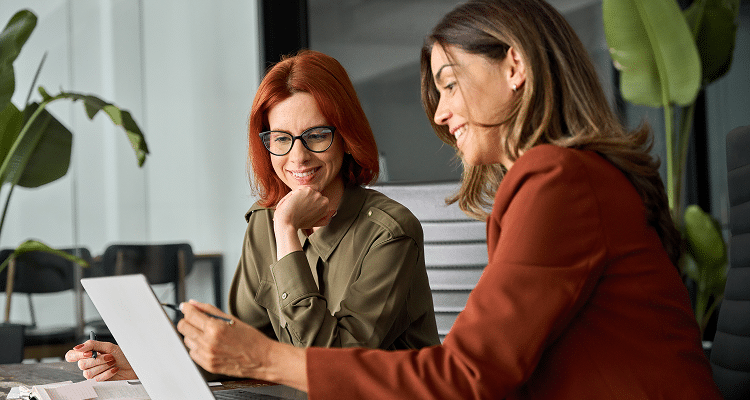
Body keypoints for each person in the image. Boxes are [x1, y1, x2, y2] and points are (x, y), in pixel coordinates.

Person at [65, 49, 439, 381]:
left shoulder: (390, 232)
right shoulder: (265, 221)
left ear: (345, 136)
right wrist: (144, 362)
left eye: (316, 135)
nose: (298, 157)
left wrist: (287, 231)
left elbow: (329, 366)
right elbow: (241, 345)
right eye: (281, 139)